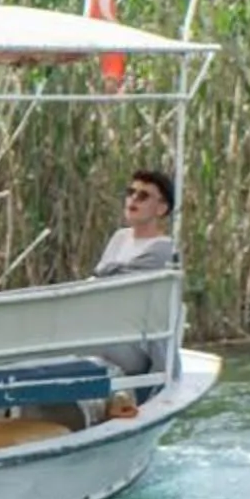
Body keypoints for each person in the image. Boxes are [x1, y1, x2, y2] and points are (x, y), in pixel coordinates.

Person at [92, 168, 179, 417]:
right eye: (130, 193)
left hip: (134, 340)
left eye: (143, 196)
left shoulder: (163, 248)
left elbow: (113, 285)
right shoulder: (120, 238)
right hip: (105, 326)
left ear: (161, 208)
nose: (133, 200)